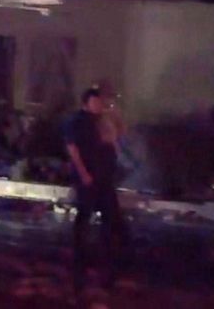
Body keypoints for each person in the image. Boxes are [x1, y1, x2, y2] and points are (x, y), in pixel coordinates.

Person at [63, 87, 130, 290]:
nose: (100, 105)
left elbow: (116, 136)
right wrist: (84, 173)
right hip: (88, 178)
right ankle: (79, 257)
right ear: (87, 102)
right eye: (96, 101)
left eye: (101, 102)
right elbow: (72, 149)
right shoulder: (76, 121)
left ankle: (108, 258)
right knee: (85, 214)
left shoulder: (101, 121)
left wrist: (114, 116)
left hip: (104, 177)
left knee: (111, 216)